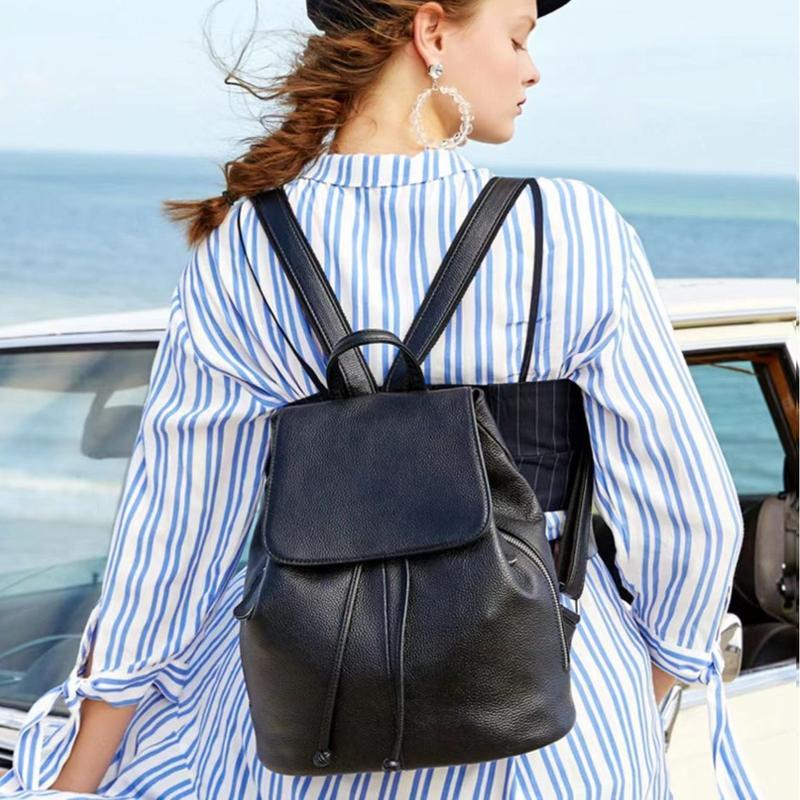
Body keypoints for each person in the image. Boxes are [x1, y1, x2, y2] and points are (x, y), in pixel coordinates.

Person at [0, 0, 763, 797]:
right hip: (548, 724)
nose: (532, 69)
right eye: (517, 37)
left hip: (307, 724)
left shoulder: (245, 248)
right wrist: (643, 683)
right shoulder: (566, 230)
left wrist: (77, 778)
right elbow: (693, 520)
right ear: (431, 33)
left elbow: (173, 541)